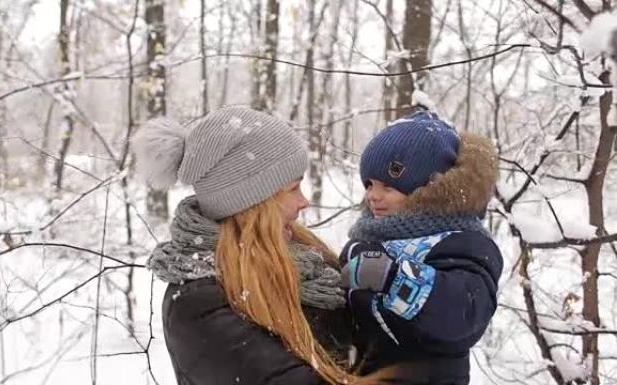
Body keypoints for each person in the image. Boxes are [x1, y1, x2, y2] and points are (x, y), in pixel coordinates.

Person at [133, 106, 389, 385]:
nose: (304, 201)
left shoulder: (304, 261)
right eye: (292, 188)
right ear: (251, 203)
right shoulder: (200, 302)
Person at [340, 111, 504, 385]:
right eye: (369, 184)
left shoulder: (463, 242)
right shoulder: (366, 237)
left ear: (427, 188)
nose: (373, 196)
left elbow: (464, 316)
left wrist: (395, 278)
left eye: (388, 186)